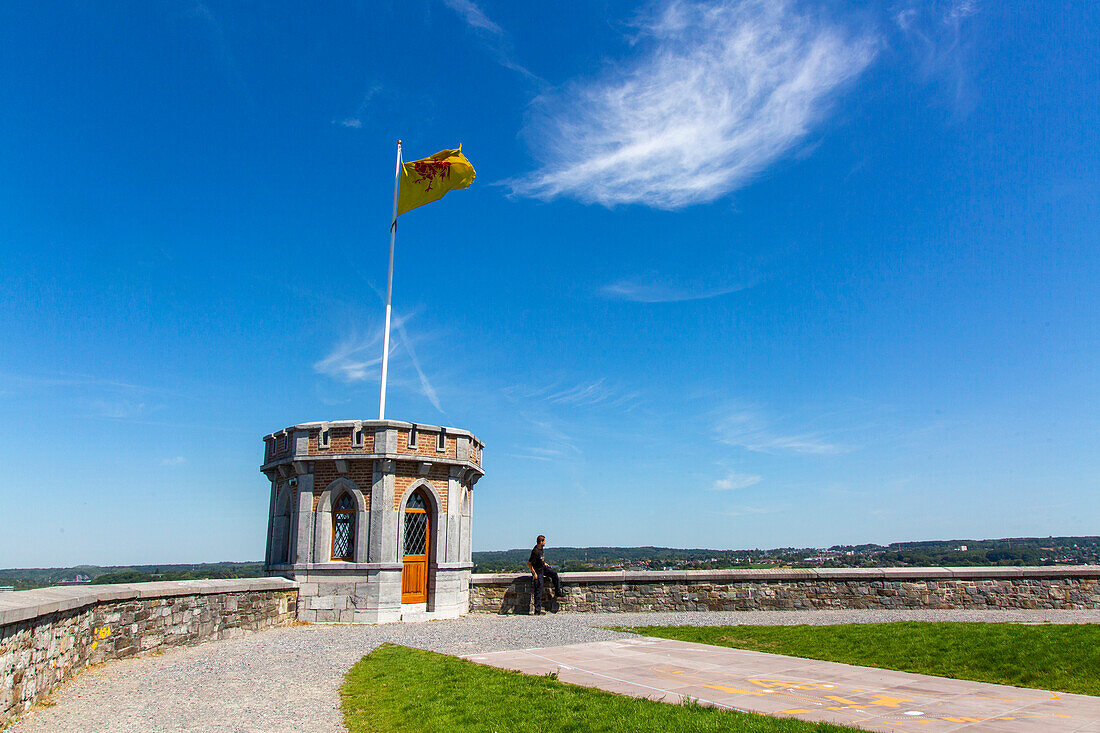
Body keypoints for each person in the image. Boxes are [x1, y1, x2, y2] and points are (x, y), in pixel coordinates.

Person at [527, 534, 562, 614]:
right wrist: (534, 573)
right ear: (541, 542)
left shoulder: (541, 549)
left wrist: (544, 563)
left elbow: (540, 559)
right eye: (544, 541)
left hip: (542, 567)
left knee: (554, 574)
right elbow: (529, 564)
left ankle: (558, 591)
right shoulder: (535, 551)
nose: (545, 543)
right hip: (537, 570)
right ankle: (537, 610)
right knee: (538, 589)